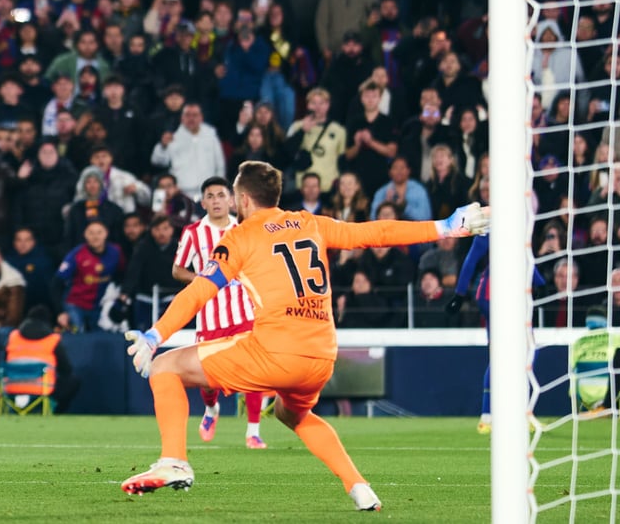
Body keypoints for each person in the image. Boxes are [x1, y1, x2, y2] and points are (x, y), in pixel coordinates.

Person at [121, 160, 490, 511]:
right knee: (291, 413)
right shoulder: (309, 223)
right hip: (321, 356)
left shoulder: (239, 236)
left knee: (166, 367)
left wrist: (156, 334)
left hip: (274, 351)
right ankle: (358, 486)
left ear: (244, 200)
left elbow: (200, 290)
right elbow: (373, 233)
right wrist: (446, 226)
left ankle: (174, 462)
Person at [171, 176, 268, 449]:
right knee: (208, 379)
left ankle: (253, 431)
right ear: (203, 202)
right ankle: (212, 410)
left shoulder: (247, 229)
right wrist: (201, 281)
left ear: (232, 200)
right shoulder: (193, 233)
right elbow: (177, 269)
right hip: (209, 317)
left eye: (221, 195)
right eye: (210, 196)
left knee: (254, 372)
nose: (216, 200)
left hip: (244, 314)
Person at [446, 233, 547, 433]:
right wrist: (459, 293)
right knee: (513, 353)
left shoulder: (511, 222)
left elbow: (523, 255)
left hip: (508, 293)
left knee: (520, 353)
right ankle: (495, 416)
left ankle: (497, 416)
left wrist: (539, 282)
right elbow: (472, 260)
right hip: (494, 294)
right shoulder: (493, 226)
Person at [3, 305, 80, 413]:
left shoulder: (12, 336)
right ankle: (57, 414)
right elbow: (66, 369)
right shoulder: (53, 339)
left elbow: (5, 362)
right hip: (41, 388)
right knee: (72, 381)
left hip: (12, 387)